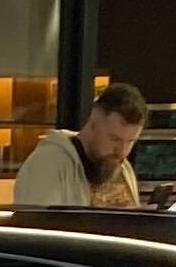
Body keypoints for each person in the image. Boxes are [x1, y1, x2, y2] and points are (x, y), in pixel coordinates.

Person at [11, 83, 147, 209]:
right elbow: (38, 229)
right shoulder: (48, 164)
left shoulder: (122, 168)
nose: (122, 151)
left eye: (130, 141)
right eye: (114, 139)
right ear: (93, 122)